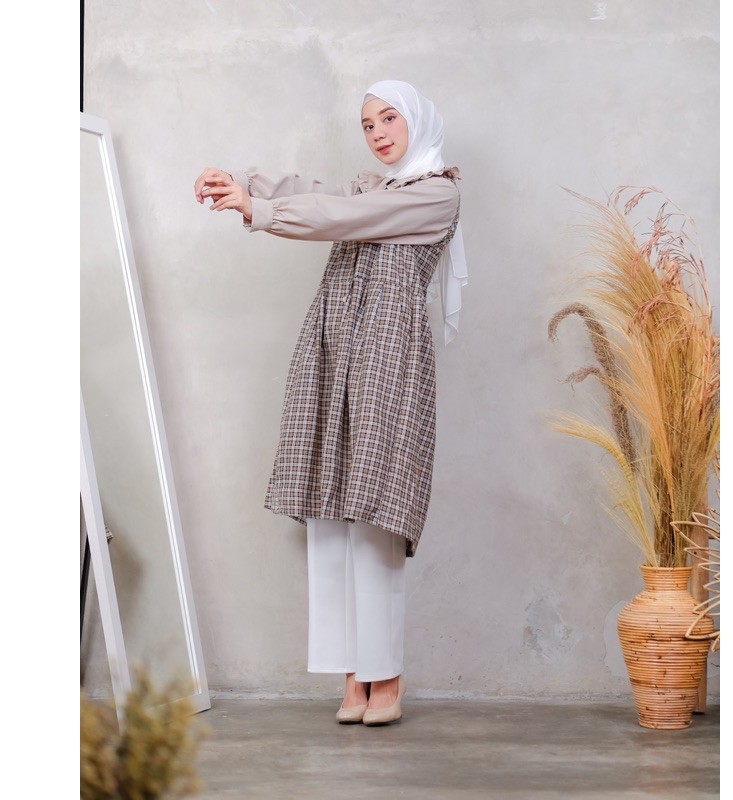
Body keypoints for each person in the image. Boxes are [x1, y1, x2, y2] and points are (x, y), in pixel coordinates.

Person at [193, 80, 467, 726]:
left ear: (417, 120)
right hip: (333, 346)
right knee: (329, 513)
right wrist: (243, 182)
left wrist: (258, 210)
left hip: (387, 359)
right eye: (367, 124)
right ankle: (351, 673)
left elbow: (341, 218)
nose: (377, 133)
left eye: (389, 118)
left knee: (374, 516)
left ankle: (385, 673)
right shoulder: (372, 187)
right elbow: (316, 193)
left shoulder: (436, 194)